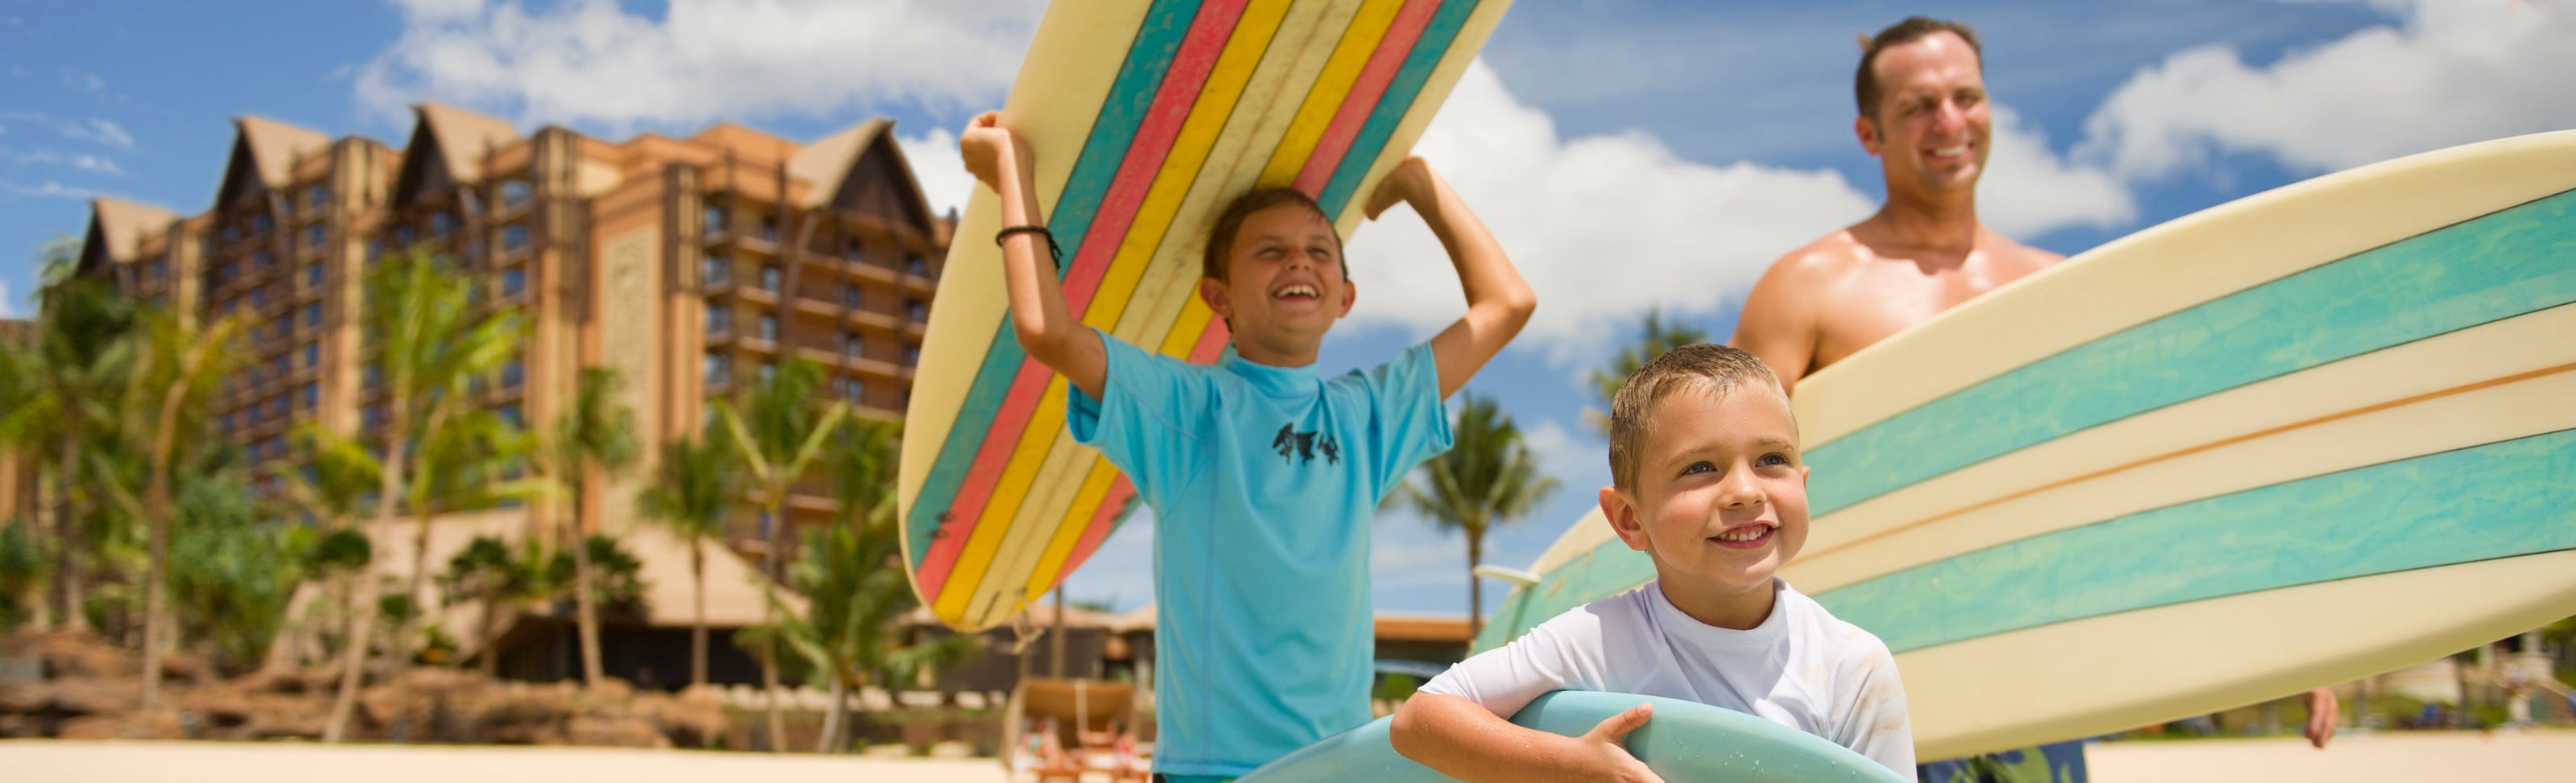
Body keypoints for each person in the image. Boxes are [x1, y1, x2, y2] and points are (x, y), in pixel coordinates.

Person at [1729, 17, 2337, 782]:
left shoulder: (2058, 286)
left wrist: (2286, 628)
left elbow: (2141, 472)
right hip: (1858, 672)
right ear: (1869, 133)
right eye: (1918, 106)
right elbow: (1732, 476)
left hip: (2028, 668)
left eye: (1966, 97)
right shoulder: (1809, 285)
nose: (1949, 123)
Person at [960, 111, 1537, 781]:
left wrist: (1417, 182)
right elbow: (1046, 330)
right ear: (1219, 296)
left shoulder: (1367, 416)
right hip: (1216, 769)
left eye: (1320, 250)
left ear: (1345, 296)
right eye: (1269, 249)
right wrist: (1011, 170)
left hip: (1343, 765)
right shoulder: (1186, 408)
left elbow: (1508, 302)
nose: (1298, 259)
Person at [1389, 344, 1914, 781]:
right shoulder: (1599, 637)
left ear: (1802, 483)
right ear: (1629, 519)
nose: (1745, 491)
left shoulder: (1852, 665)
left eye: (1770, 460)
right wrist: (1568, 765)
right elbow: (1419, 719)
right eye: (1701, 467)